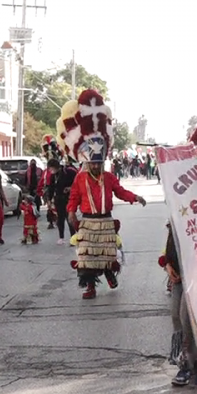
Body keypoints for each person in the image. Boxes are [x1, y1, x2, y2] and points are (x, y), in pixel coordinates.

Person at [65, 89, 147, 300]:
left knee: (107, 254)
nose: (95, 165)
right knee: (86, 257)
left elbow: (120, 191)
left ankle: (110, 274)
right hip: (88, 223)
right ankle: (90, 287)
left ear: (102, 162)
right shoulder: (80, 179)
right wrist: (71, 212)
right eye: (92, 162)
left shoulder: (109, 177)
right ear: (86, 161)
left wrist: (134, 198)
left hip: (105, 222)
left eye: (98, 162)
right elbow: (73, 197)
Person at [163, 221, 197, 387]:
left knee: (187, 317)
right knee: (176, 315)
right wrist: (167, 264)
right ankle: (187, 360)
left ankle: (192, 364)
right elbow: (169, 244)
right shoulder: (175, 213)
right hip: (178, 273)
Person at [46, 157, 79, 245]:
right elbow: (51, 188)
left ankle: (73, 237)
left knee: (69, 218)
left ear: (55, 167)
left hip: (68, 198)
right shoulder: (53, 176)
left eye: (51, 168)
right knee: (60, 219)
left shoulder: (69, 172)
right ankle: (61, 237)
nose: (50, 171)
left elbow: (77, 183)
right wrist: (49, 199)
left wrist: (70, 188)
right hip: (58, 199)